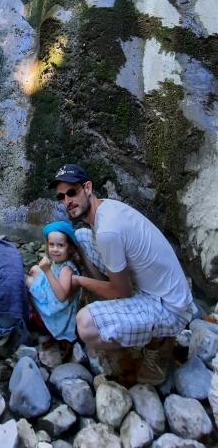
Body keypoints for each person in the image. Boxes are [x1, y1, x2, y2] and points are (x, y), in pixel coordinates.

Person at [49, 163, 194, 384]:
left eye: (72, 192)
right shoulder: (105, 208)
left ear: (87, 188)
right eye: (61, 197)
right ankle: (121, 316)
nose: (67, 201)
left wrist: (78, 280)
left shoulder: (108, 230)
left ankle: (155, 347)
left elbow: (122, 292)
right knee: (81, 238)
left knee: (86, 324)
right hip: (159, 286)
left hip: (169, 307)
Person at [26, 220, 81, 342]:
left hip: (55, 309)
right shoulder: (59, 262)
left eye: (60, 245)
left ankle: (37, 316)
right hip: (51, 291)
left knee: (28, 281)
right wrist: (46, 269)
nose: (55, 249)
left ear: (70, 248)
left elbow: (61, 297)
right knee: (34, 269)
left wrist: (47, 271)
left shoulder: (66, 269)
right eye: (52, 245)